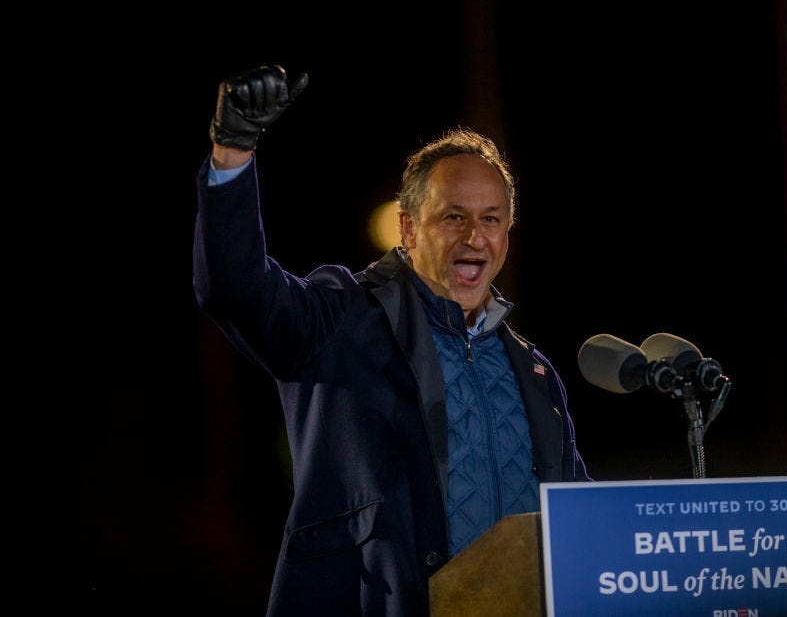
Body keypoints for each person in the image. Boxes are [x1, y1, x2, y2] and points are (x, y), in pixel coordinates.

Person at [193, 64, 591, 616]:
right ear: (407, 228)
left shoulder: (534, 372)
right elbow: (235, 290)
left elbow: (579, 522)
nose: (475, 237)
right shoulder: (340, 320)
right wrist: (233, 153)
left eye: (491, 219)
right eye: (453, 217)